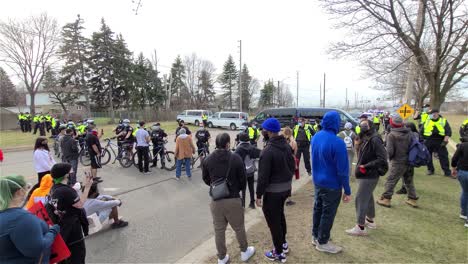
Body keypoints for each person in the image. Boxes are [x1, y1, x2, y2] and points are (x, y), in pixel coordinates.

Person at [202, 133, 255, 264]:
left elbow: (206, 179)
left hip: (216, 200)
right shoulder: (235, 158)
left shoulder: (207, 159)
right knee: (239, 227)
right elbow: (243, 181)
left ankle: (221, 257)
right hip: (233, 198)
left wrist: (216, 186)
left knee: (219, 230)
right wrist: (235, 188)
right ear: (227, 144)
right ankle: (244, 251)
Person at [311, 111, 351, 253]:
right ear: (336, 123)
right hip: (332, 185)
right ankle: (322, 241)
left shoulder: (316, 136)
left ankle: (315, 236)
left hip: (317, 182)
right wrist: (347, 190)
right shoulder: (338, 143)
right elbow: (343, 171)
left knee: (318, 209)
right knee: (327, 213)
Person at [256, 118, 295, 262]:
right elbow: (292, 166)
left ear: (269, 132)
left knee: (273, 221)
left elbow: (263, 177)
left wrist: (258, 194)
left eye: (264, 130)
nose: (262, 132)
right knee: (279, 215)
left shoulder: (268, 151)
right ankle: (283, 244)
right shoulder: (286, 145)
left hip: (273, 192)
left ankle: (278, 253)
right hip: (285, 189)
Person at [0, 175, 60, 264]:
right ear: (19, 192)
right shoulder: (22, 218)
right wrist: (53, 231)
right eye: (26, 188)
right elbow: (36, 249)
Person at [346, 119, 387, 236]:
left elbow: (382, 159)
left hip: (370, 173)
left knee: (360, 198)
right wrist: (357, 144)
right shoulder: (365, 137)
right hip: (364, 173)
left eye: (365, 125)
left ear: (370, 126)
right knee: (368, 197)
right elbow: (361, 154)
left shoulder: (375, 139)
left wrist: (366, 166)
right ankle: (370, 220)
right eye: (361, 124)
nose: (362, 126)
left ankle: (360, 227)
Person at [48, 163, 92, 263]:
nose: (72, 173)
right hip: (73, 231)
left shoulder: (54, 188)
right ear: (66, 175)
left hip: (62, 229)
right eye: (71, 172)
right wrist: (88, 187)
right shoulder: (66, 191)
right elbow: (80, 204)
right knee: (77, 258)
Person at [377, 116, 418, 208]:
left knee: (391, 180)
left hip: (398, 162)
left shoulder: (392, 135)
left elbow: (390, 152)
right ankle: (413, 199)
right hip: (410, 160)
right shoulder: (410, 133)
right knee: (409, 180)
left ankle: (386, 199)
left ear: (392, 124)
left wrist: (388, 158)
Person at [421, 109, 452, 176]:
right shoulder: (427, 121)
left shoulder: (443, 121)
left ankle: (447, 172)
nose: (433, 114)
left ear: (438, 113)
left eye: (435, 113)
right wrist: (422, 140)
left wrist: (445, 141)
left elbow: (448, 132)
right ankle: (430, 170)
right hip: (429, 140)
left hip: (440, 141)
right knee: (428, 156)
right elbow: (421, 131)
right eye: (432, 113)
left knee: (443, 156)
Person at [235, 132, 261, 209]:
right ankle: (252, 203)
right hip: (251, 170)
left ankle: (243, 205)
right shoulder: (252, 147)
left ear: (240, 139)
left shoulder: (238, 149)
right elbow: (260, 154)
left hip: (242, 172)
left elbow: (235, 160)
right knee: (251, 187)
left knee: (243, 188)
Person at [451, 137, 468, 228]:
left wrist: (453, 169)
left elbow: (454, 159)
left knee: (465, 192)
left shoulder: (462, 146)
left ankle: (464, 213)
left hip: (462, 173)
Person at [282, 127, 299, 206]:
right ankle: (288, 199)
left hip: (282, 161)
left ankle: (282, 197)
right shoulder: (293, 142)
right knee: (289, 181)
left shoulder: (282, 141)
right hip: (290, 161)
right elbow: (295, 152)